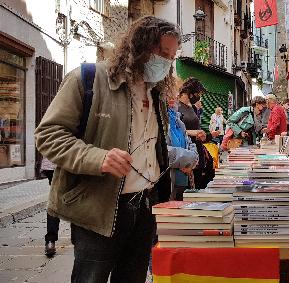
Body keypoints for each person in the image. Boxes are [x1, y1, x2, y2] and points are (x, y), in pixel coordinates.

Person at [35, 16, 182, 283]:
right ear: (140, 46)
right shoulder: (89, 79)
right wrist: (99, 158)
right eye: (162, 53)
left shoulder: (157, 94)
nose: (167, 62)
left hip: (145, 209)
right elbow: (48, 135)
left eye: (172, 56)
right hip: (99, 208)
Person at [178, 77, 214, 190]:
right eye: (198, 94)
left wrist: (202, 135)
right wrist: (192, 133)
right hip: (185, 151)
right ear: (191, 93)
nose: (199, 97)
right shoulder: (177, 107)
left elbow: (196, 127)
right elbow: (173, 130)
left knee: (199, 184)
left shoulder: (192, 107)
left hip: (197, 150)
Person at [165, 96, 199, 201]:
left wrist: (193, 162)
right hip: (167, 184)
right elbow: (163, 152)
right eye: (167, 95)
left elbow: (190, 144)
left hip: (184, 181)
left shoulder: (178, 121)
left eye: (174, 95)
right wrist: (190, 158)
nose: (172, 99)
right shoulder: (158, 121)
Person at [41, 157, 59, 257]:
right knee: (77, 200)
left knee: (55, 201)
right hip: (68, 163)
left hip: (51, 163)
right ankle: (80, 239)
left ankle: (50, 242)